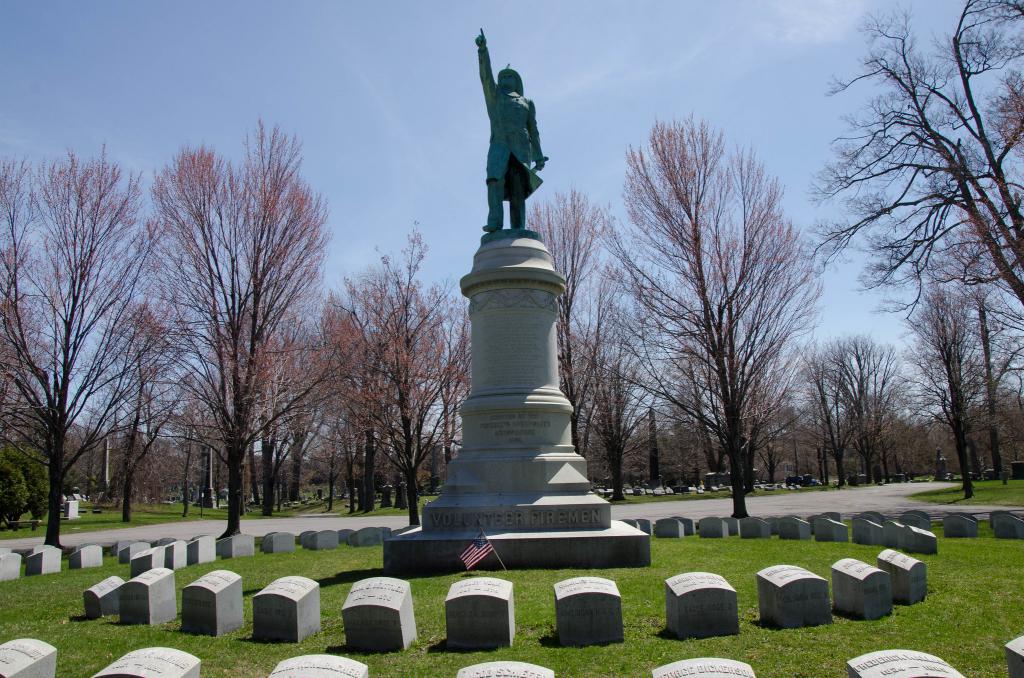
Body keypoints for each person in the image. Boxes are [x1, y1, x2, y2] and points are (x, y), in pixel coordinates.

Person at [476, 29, 548, 232]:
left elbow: (534, 130)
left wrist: (539, 155)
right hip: (499, 146)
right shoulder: (495, 96)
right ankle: (495, 223)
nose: (506, 77)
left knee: (518, 189)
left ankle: (518, 227)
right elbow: (485, 77)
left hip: (521, 149)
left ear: (517, 81)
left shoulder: (527, 102)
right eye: (503, 75)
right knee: (494, 182)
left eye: (510, 75)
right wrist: (483, 51)